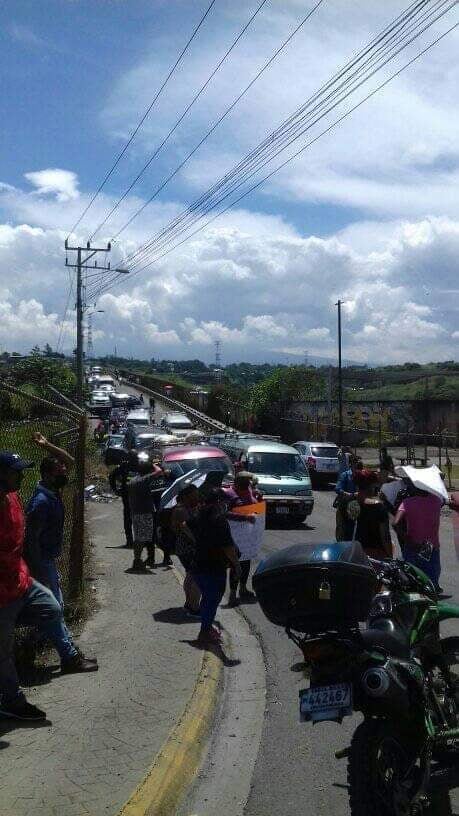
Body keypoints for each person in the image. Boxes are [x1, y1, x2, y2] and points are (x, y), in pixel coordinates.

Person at [25, 434, 98, 674]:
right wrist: (38, 572)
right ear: (48, 475)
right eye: (59, 472)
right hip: (41, 563)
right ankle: (69, 656)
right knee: (54, 608)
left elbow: (70, 461)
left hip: (48, 560)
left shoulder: (51, 492)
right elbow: (31, 541)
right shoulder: (41, 503)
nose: (64, 474)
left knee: (57, 606)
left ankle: (65, 650)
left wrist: (47, 446)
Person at [189, 489, 241, 646]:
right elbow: (228, 547)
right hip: (214, 567)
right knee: (212, 600)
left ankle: (206, 627)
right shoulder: (219, 520)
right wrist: (236, 565)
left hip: (198, 564)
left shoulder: (199, 515)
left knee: (207, 599)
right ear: (219, 502)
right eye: (225, 502)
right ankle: (204, 633)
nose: (227, 505)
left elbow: (185, 525)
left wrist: (197, 541)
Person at [393, 485, 443, 591]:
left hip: (412, 547)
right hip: (431, 549)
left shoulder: (407, 502)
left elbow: (395, 523)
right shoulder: (437, 501)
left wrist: (407, 539)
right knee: (431, 583)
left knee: (411, 582)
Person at [223, 471, 261, 607]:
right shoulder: (229, 494)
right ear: (237, 482)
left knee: (246, 562)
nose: (248, 485)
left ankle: (243, 588)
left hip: (248, 535)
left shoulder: (249, 491)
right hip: (235, 535)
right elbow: (224, 513)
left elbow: (254, 506)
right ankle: (233, 594)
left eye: (249, 483)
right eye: (245, 483)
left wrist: (259, 500)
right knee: (236, 564)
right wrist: (244, 517)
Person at [127, 456, 166, 572]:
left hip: (135, 512)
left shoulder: (133, 480)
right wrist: (153, 464)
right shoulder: (144, 479)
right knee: (142, 538)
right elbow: (159, 471)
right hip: (144, 512)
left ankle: (137, 560)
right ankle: (137, 561)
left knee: (138, 537)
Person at [346, 469, 393, 559]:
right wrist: (390, 557)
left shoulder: (349, 503)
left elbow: (342, 528)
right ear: (371, 485)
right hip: (374, 555)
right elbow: (385, 536)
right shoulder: (378, 507)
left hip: (351, 552)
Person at [170, 484, 201, 617]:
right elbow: (184, 527)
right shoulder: (181, 509)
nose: (197, 497)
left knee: (190, 575)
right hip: (187, 547)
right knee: (197, 577)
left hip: (183, 547)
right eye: (195, 495)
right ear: (187, 496)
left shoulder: (186, 507)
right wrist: (196, 541)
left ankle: (189, 603)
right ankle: (194, 608)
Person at [334, 456, 363, 541]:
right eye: (355, 463)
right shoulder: (345, 475)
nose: (357, 466)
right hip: (345, 506)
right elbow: (337, 489)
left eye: (359, 464)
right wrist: (350, 494)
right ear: (351, 465)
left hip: (358, 506)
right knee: (343, 529)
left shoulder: (362, 476)